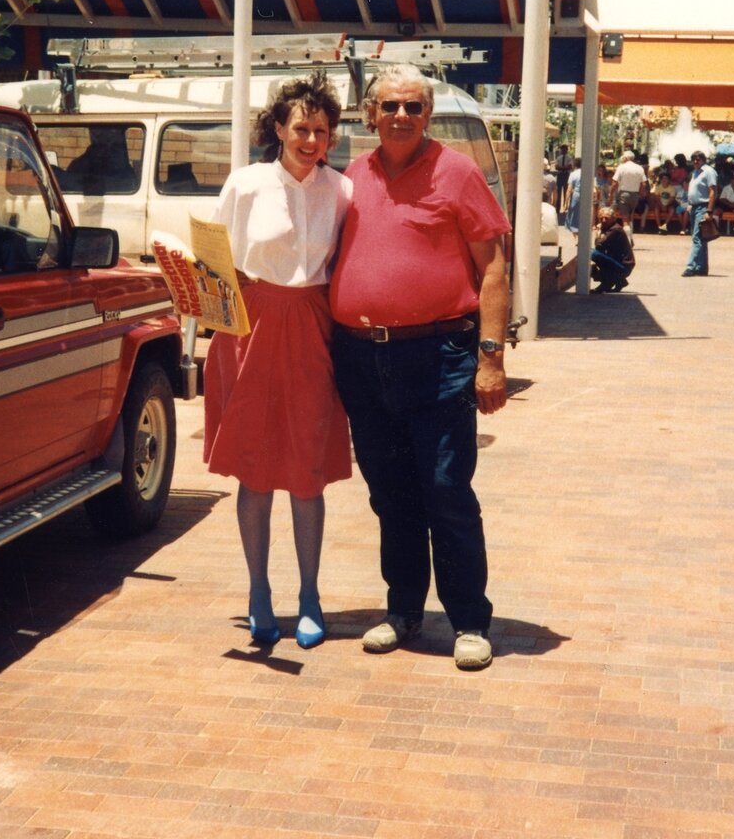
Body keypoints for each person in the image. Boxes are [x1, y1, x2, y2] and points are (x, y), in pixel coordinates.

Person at [329, 65, 510, 672]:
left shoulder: (456, 174)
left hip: (438, 357)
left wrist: (491, 358)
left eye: (412, 107)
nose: (400, 116)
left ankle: (469, 621)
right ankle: (403, 610)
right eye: (389, 106)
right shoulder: (353, 176)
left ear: (428, 115)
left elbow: (493, 269)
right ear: (369, 114)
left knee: (445, 490)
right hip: (362, 358)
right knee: (390, 494)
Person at [204, 71, 352, 650]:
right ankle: (258, 591)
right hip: (251, 326)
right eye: (300, 127)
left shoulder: (342, 191)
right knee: (257, 466)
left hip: (313, 328)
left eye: (321, 129)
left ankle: (310, 595)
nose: (311, 139)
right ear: (278, 128)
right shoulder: (244, 184)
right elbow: (214, 260)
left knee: (307, 468)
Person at [682, 149, 718, 276]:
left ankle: (690, 266)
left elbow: (712, 191)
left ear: (703, 160)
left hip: (703, 207)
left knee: (697, 237)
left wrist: (709, 210)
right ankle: (702, 268)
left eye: (698, 159)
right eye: (693, 159)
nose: (695, 161)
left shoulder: (709, 172)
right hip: (694, 207)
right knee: (701, 238)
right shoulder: (695, 173)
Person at [590, 206, 635, 292]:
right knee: (593, 259)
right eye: (601, 218)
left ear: (613, 219)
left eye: (606, 218)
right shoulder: (609, 228)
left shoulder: (615, 230)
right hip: (617, 263)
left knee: (592, 253)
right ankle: (619, 281)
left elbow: (599, 245)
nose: (603, 220)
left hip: (624, 266)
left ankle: (609, 282)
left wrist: (598, 232)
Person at [609, 148, 646, 231]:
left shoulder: (621, 167)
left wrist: (610, 194)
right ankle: (630, 234)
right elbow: (643, 184)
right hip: (635, 195)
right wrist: (639, 194)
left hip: (623, 194)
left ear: (625, 158)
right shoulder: (639, 168)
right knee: (630, 216)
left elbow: (614, 183)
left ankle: (628, 238)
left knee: (625, 219)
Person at [564, 157, 582, 234]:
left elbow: (569, 189)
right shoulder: (586, 172)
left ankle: (577, 236)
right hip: (586, 195)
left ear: (574, 165)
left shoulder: (573, 174)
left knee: (574, 215)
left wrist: (566, 203)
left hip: (577, 195)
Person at [554, 143, 573, 212]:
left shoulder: (569, 158)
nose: (563, 150)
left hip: (566, 175)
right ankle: (557, 208)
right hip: (560, 175)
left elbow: (570, 166)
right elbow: (556, 167)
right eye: (562, 149)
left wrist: (561, 168)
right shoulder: (559, 158)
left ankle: (565, 207)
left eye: (565, 149)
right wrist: (564, 168)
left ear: (567, 150)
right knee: (558, 192)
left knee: (566, 192)